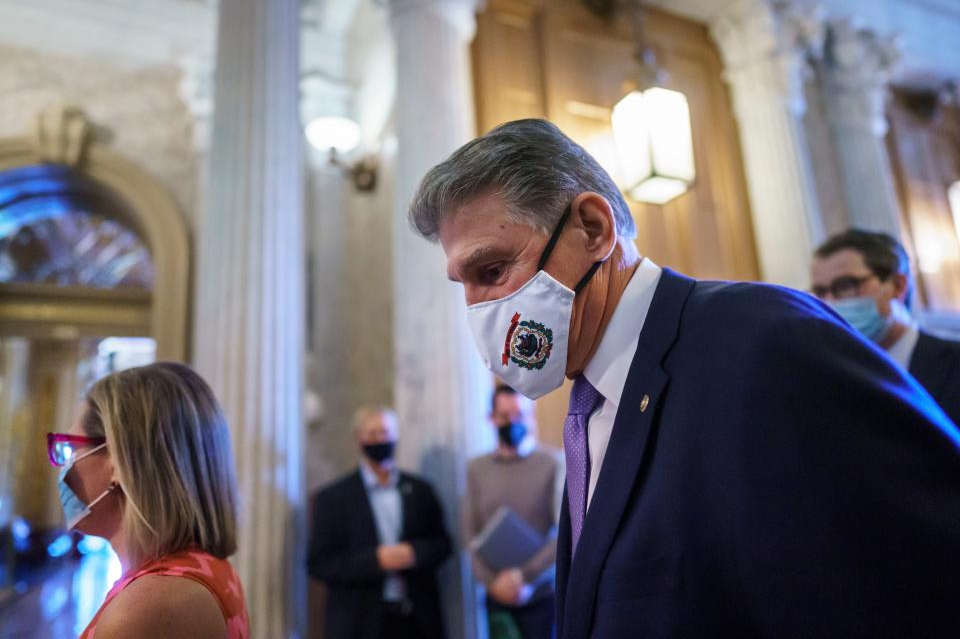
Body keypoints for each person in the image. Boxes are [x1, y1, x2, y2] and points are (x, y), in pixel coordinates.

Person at [407, 118, 960, 638]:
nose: (479, 309)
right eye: (465, 284)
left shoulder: (764, 338)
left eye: (493, 271)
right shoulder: (589, 403)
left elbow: (924, 569)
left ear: (593, 229)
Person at [47, 362, 248, 638]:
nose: (63, 466)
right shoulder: (201, 567)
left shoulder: (148, 607)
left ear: (118, 460)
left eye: (70, 447)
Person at [307, 407, 451, 639]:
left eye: (385, 433)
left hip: (415, 620)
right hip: (358, 622)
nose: (379, 439)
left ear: (396, 436)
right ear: (358, 439)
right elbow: (320, 563)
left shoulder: (421, 491)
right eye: (372, 434)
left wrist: (414, 553)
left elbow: (443, 544)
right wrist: (376, 560)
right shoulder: (332, 498)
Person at [811, 228, 960, 424]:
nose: (829, 302)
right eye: (821, 291)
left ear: (897, 285)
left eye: (846, 285)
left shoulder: (954, 362)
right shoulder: (823, 380)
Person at [463, 385, 562, 639]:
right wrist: (493, 583)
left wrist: (525, 577)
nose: (512, 422)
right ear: (492, 418)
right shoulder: (477, 468)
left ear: (531, 416)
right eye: (504, 416)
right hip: (496, 597)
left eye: (519, 415)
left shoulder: (551, 463)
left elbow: (563, 532)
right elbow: (470, 534)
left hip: (540, 595)